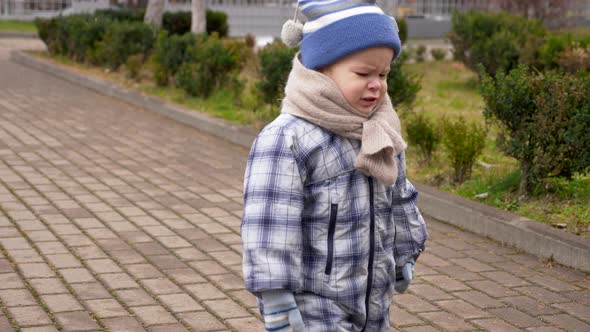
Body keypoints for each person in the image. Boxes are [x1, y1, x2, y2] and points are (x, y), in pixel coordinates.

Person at [241, 0, 428, 331]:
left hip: (373, 294)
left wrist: (405, 252)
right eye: (363, 73)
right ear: (322, 71)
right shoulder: (288, 139)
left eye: (383, 73)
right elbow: (269, 221)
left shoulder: (381, 128)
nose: (377, 84)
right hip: (314, 302)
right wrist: (275, 294)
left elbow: (398, 195)